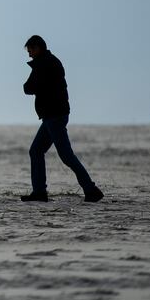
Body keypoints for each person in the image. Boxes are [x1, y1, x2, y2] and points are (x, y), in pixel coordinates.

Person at [21, 35, 104, 202]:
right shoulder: (48, 62)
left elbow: (28, 87)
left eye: (30, 50)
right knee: (36, 151)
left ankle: (90, 189)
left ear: (38, 48)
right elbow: (31, 87)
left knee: (65, 155)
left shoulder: (45, 63)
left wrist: (36, 84)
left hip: (54, 116)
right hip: (53, 115)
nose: (29, 54)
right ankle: (40, 192)